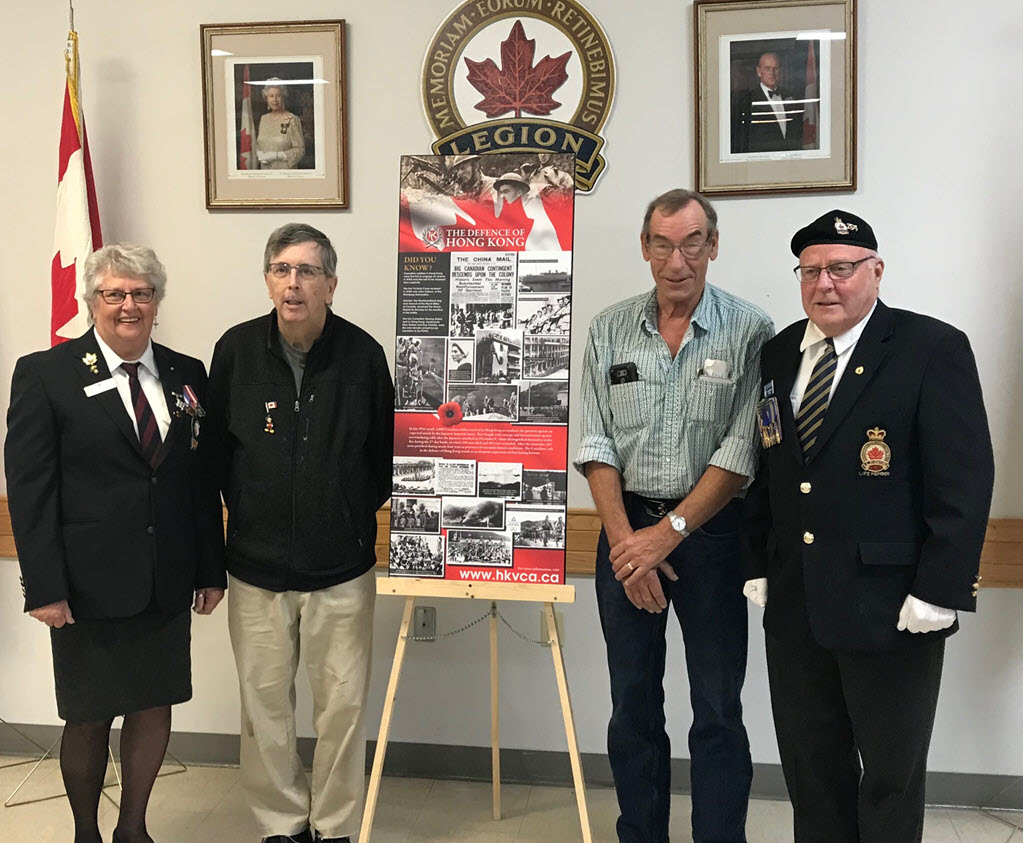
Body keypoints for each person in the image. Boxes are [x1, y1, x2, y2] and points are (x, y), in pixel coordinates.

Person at [741, 210, 994, 842]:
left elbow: (962, 482)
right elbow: (770, 463)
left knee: (889, 774)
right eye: (811, 271)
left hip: (891, 606)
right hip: (797, 603)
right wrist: (758, 564)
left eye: (841, 269)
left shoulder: (931, 348)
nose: (825, 284)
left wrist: (940, 589)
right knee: (812, 770)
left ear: (875, 272)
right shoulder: (778, 353)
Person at [4, 244, 226, 843]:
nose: (129, 305)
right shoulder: (47, 374)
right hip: (86, 584)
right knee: (88, 715)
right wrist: (44, 587)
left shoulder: (187, 374)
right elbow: (30, 491)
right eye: (114, 294)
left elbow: (198, 480)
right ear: (91, 302)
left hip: (165, 577)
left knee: (154, 705)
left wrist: (210, 569)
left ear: (157, 301)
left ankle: (133, 829)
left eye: (141, 293)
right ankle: (85, 832)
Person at [574, 188, 772, 843]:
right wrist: (629, 544)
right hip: (625, 532)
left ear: (712, 246)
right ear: (645, 248)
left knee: (717, 706)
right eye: (663, 243)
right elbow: (596, 442)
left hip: (712, 537)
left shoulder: (751, 331)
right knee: (633, 703)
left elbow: (742, 449)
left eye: (692, 242)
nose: (677, 259)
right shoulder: (608, 329)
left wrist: (670, 534)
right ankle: (641, 833)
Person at [207, 223, 394, 843]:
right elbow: (215, 458)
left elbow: (384, 457)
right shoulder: (234, 352)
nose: (295, 283)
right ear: (268, 281)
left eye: (309, 272)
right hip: (255, 566)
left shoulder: (363, 354)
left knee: (341, 708)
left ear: (331, 285)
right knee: (265, 709)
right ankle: (282, 823)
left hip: (341, 567)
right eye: (283, 270)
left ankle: (336, 824)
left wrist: (344, 511)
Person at [732, 51, 802, 154]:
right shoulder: (746, 101)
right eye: (767, 68)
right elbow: (742, 140)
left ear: (780, 71)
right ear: (759, 71)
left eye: (776, 68)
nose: (772, 73)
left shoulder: (791, 96)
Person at [493, 171, 560, 250]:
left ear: (519, 192)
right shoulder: (509, 211)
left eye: (506, 191)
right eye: (501, 193)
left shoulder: (532, 208)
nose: (502, 196)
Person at [256, 78, 306, 170]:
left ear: (283, 97)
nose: (274, 100)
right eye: (271, 96)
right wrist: (258, 153)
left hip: (285, 174)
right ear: (266, 98)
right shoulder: (263, 119)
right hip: (265, 173)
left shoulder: (292, 119)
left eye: (278, 95)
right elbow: (259, 144)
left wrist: (276, 156)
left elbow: (300, 151)